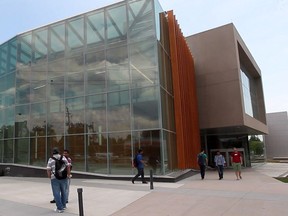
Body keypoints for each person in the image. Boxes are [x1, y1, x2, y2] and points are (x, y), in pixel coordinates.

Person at [47, 148, 71, 213]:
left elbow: (48, 169)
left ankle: (59, 208)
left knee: (56, 193)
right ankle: (63, 206)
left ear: (53, 153)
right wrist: (68, 174)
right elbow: (68, 166)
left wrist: (49, 177)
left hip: (54, 178)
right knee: (64, 191)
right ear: (58, 152)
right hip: (64, 177)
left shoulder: (51, 159)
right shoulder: (63, 158)